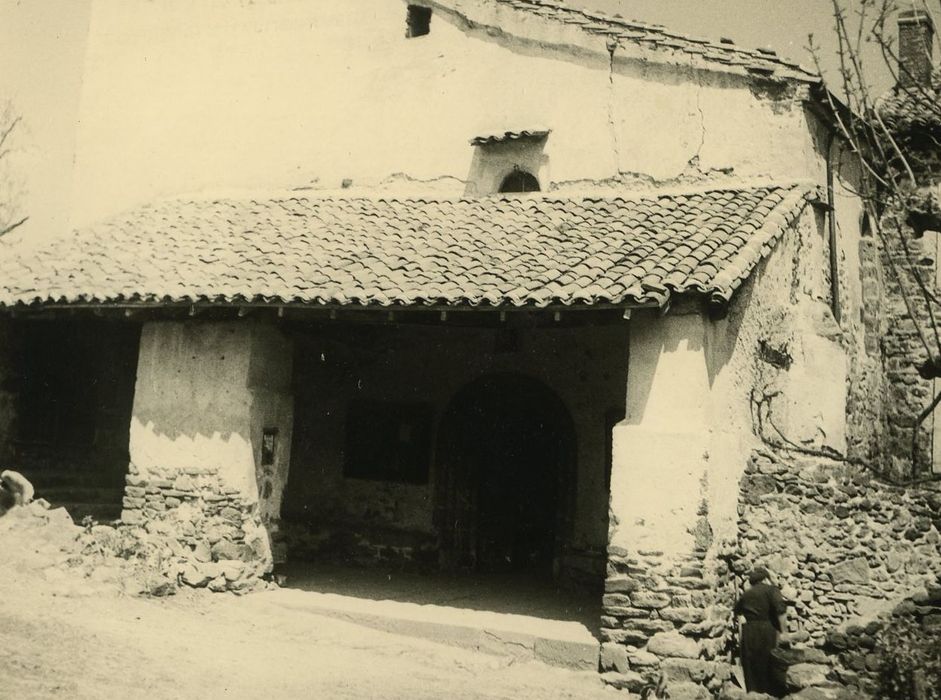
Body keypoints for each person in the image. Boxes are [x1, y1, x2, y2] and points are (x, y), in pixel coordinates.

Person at [734, 567, 788, 696]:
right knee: (770, 665)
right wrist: (784, 631)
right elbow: (781, 610)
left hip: (749, 633)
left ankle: (753, 696)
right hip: (768, 630)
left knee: (752, 667)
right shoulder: (772, 590)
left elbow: (738, 612)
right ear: (765, 579)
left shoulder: (746, 594)